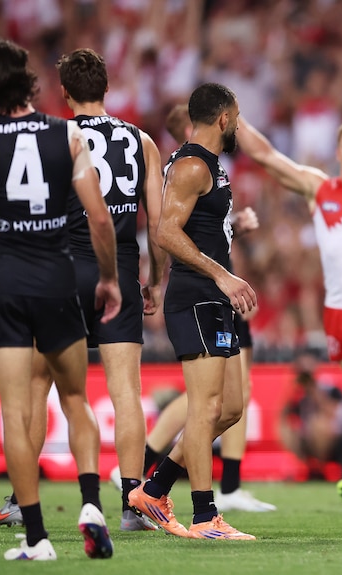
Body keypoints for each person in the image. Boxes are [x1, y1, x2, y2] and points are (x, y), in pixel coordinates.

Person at [0, 37, 119, 560]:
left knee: (17, 415)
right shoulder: (66, 135)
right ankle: (90, 505)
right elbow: (101, 218)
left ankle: (39, 538)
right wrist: (108, 278)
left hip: (5, 289)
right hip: (56, 281)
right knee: (75, 399)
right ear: (28, 80)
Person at [0, 47, 166, 533]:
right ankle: (133, 503)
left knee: (39, 385)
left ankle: (22, 501)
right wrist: (155, 279)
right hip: (121, 270)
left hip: (60, 270)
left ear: (63, 92)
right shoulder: (141, 140)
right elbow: (159, 221)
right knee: (126, 390)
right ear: (106, 87)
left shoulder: (51, 136)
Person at [235, 114, 342, 514]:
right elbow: (266, 156)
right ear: (337, 152)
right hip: (336, 312)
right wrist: (233, 115)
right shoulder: (320, 188)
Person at [127, 82, 258, 540]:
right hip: (198, 295)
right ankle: (205, 516)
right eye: (237, 116)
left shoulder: (209, 166)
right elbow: (165, 231)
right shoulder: (191, 164)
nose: (239, 124)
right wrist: (221, 275)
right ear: (223, 118)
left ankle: (155, 489)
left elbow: (197, 232)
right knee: (205, 409)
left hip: (212, 295)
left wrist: (231, 235)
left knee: (231, 408)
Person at [278, 350, 342, 480]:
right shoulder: (299, 394)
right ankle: (308, 465)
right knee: (287, 429)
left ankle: (319, 467)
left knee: (318, 424)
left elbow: (339, 414)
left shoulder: (328, 388)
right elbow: (283, 416)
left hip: (337, 434)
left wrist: (315, 393)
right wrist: (291, 389)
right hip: (310, 437)